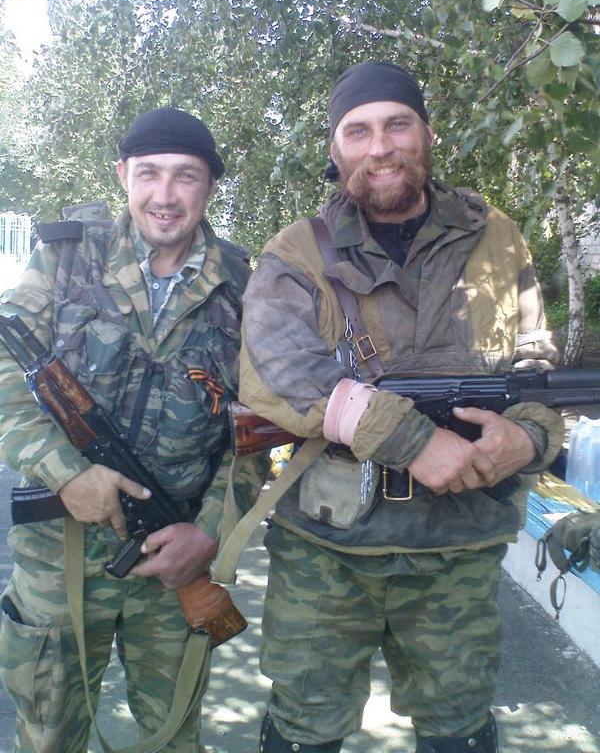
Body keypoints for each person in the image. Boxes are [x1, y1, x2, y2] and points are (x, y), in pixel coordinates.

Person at [239, 62, 565, 753]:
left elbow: (534, 366)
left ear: (427, 134)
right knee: (303, 730)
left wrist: (528, 438)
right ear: (336, 150)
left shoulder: (495, 236)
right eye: (358, 131)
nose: (380, 147)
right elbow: (276, 370)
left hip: (459, 547)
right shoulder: (297, 252)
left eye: (397, 125)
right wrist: (411, 440)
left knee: (459, 731)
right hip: (327, 551)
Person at [0, 107, 266, 752]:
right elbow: (6, 376)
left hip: (174, 558)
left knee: (173, 738)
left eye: (186, 176)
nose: (165, 196)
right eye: (148, 173)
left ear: (211, 185)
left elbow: (257, 433)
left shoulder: (242, 287)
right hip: (60, 560)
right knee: (50, 735)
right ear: (123, 175)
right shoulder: (65, 256)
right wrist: (67, 474)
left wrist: (208, 533)